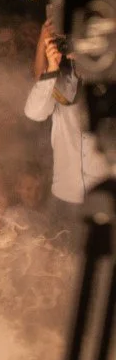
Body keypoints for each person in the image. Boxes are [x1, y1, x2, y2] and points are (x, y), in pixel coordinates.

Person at [24, 20, 107, 248]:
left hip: (104, 198)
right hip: (64, 197)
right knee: (58, 263)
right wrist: (52, 68)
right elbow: (34, 112)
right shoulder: (62, 79)